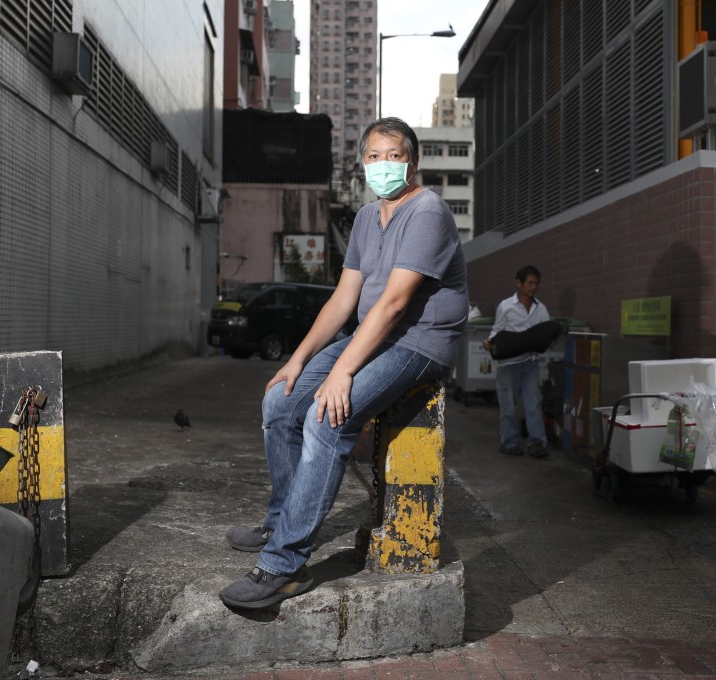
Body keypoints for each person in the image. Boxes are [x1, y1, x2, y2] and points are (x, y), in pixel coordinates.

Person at [218, 118, 469, 610]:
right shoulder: (364, 218)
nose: (383, 165)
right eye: (373, 156)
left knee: (326, 417)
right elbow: (343, 299)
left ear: (412, 162)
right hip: (373, 335)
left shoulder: (428, 212)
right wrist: (298, 360)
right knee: (281, 400)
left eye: (393, 155)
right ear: (362, 163)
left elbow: (395, 303)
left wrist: (341, 372)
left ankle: (284, 565)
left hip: (420, 341)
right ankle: (281, 519)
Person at [482, 265, 550, 458]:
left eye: (536, 283)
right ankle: (509, 442)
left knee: (533, 404)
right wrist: (490, 342)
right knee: (509, 406)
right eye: (530, 283)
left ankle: (537, 443)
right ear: (518, 283)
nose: (534, 287)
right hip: (508, 364)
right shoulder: (505, 306)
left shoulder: (541, 308)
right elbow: (497, 330)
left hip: (530, 363)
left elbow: (545, 331)